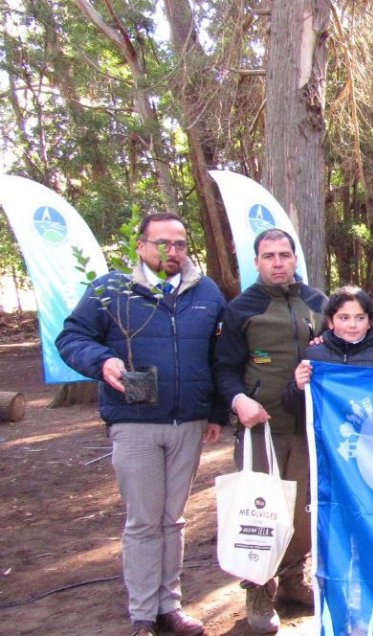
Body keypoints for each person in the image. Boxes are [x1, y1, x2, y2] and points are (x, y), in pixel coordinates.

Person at [56, 212, 226, 636]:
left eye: (181, 244)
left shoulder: (205, 292)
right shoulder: (111, 290)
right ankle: (143, 614)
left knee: (173, 519)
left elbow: (221, 355)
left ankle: (170, 604)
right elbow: (71, 337)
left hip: (188, 422)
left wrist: (217, 413)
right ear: (142, 247)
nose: (173, 252)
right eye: (163, 243)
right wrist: (102, 361)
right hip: (134, 422)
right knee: (144, 520)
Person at [213, 228, 327, 633]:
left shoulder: (318, 302)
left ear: (295, 259)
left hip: (310, 428)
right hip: (262, 428)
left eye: (284, 255)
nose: (277, 262)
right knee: (260, 511)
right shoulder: (242, 309)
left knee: (302, 511)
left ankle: (295, 580)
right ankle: (259, 588)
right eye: (268, 256)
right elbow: (224, 368)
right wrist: (239, 401)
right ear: (257, 261)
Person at [282, 286, 373, 415]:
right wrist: (299, 387)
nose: (352, 325)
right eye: (344, 318)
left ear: (369, 322)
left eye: (360, 318)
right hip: (329, 434)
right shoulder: (314, 355)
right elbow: (293, 408)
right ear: (330, 322)